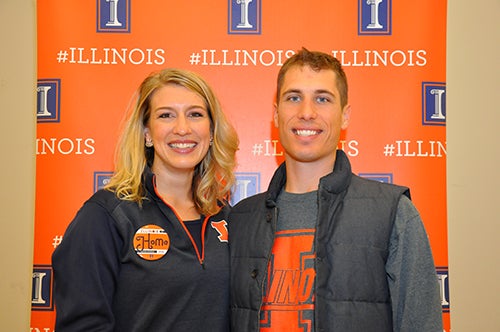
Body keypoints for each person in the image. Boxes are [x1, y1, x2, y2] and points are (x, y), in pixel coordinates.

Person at [229, 48, 443, 332]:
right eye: (294, 98)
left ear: (344, 116)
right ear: (276, 114)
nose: (307, 112)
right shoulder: (239, 219)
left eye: (322, 99)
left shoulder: (393, 213)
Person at [52, 68, 239, 331]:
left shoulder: (228, 217)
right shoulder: (106, 216)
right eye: (166, 116)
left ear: (211, 131)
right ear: (147, 133)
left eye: (195, 114)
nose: (182, 128)